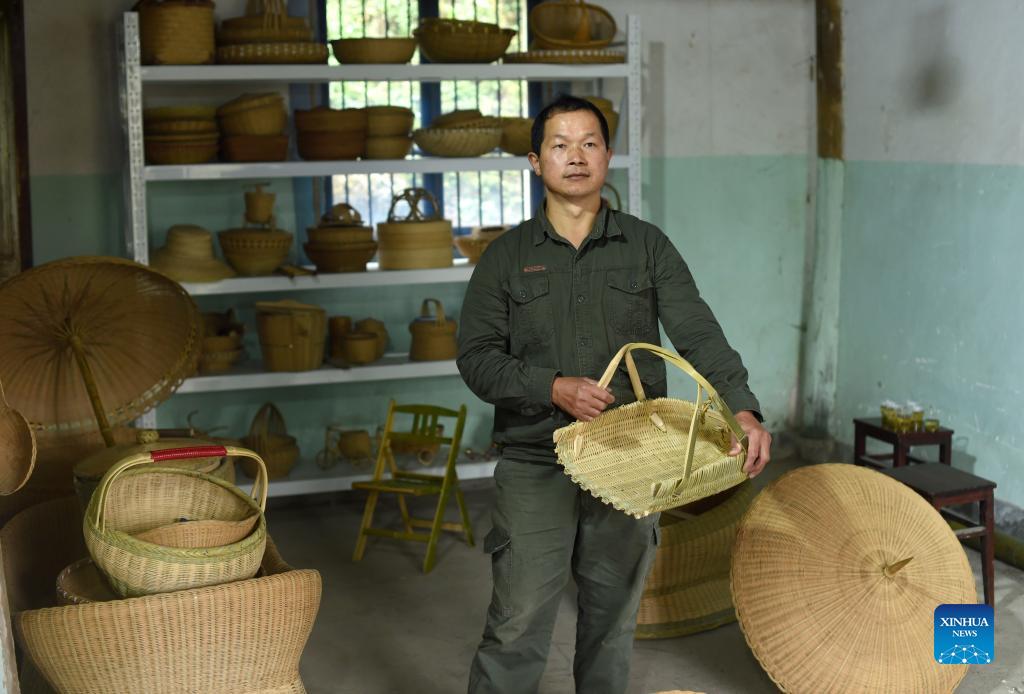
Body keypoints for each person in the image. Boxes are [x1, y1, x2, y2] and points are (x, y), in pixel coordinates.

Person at [456, 95, 772, 694]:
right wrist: (551, 387)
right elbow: (476, 359)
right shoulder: (505, 258)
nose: (575, 157)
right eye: (560, 145)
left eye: (589, 144)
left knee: (611, 622)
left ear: (607, 156)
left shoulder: (647, 247)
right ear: (535, 161)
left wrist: (743, 410)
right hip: (536, 459)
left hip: (633, 462)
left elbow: (698, 333)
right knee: (517, 623)